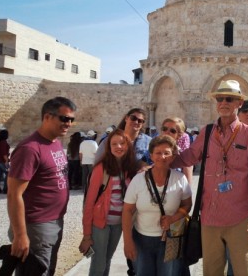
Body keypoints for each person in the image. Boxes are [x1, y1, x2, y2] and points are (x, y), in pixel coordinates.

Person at [171, 79, 248, 276]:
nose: (224, 102)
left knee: (243, 270)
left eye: (229, 99)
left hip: (239, 218)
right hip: (210, 217)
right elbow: (188, 157)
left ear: (239, 103)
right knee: (212, 271)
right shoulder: (207, 133)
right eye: (220, 98)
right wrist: (161, 159)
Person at [7, 96, 76, 275]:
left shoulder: (55, 143)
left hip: (54, 222)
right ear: (47, 117)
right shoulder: (29, 149)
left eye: (71, 119)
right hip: (36, 226)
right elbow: (14, 194)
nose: (68, 123)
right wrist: (21, 235)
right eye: (64, 118)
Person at [122, 135, 192, 276]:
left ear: (173, 157)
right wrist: (128, 242)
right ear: (151, 156)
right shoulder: (138, 180)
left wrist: (173, 218)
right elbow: (127, 211)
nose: (162, 157)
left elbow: (187, 205)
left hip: (170, 239)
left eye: (167, 153)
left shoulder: (180, 179)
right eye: (158, 153)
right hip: (142, 240)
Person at [79, 129, 137, 276]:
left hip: (118, 224)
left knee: (107, 260)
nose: (118, 147)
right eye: (114, 144)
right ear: (109, 148)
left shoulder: (129, 169)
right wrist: (87, 235)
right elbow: (89, 202)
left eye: (122, 143)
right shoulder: (101, 168)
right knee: (98, 264)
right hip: (101, 223)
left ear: (128, 146)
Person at [161, 117, 193, 184]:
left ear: (179, 135)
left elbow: (187, 185)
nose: (167, 132)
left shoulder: (183, 156)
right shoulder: (151, 150)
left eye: (172, 131)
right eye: (164, 129)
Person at [0, 129, 10, 194]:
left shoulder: (0, 142)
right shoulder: (3, 142)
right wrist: (6, 161)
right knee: (9, 174)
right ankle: (6, 189)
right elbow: (4, 153)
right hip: (2, 161)